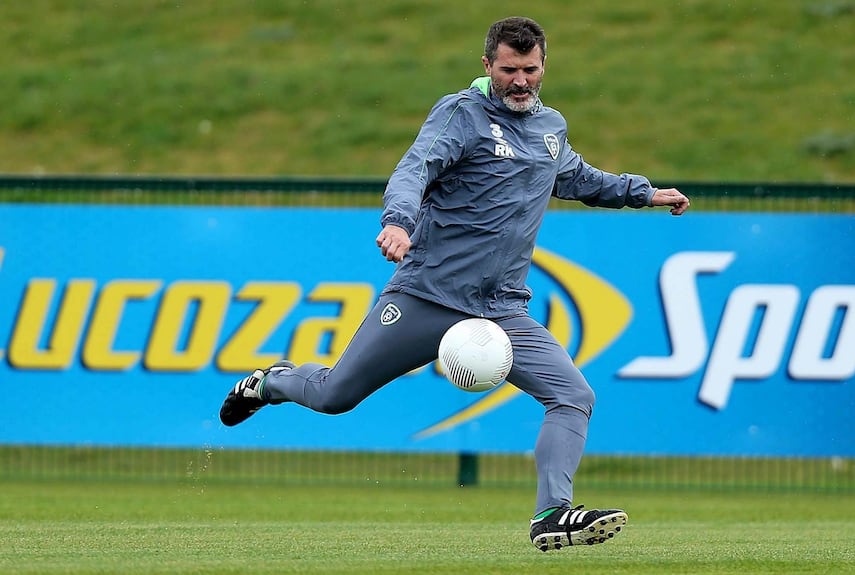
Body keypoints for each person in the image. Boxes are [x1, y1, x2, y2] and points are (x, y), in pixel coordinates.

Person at [219, 15, 690, 552]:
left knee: (573, 395)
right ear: (487, 65)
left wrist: (643, 192)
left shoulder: (549, 127)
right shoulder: (461, 114)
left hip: (502, 310)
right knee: (334, 396)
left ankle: (551, 515)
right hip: (427, 295)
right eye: (509, 69)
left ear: (544, 67)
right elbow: (414, 170)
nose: (521, 81)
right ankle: (271, 382)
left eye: (530, 70)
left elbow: (577, 178)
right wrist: (397, 220)